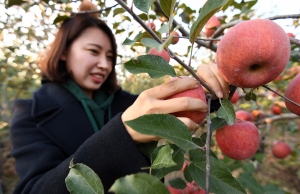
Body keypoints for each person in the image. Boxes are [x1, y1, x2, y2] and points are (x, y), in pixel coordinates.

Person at [9, 2, 229, 194]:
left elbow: (182, 106)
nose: (105, 65)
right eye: (94, 52)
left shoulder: (127, 103)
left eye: (110, 57)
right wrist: (123, 133)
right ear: (65, 52)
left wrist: (210, 83)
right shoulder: (30, 114)